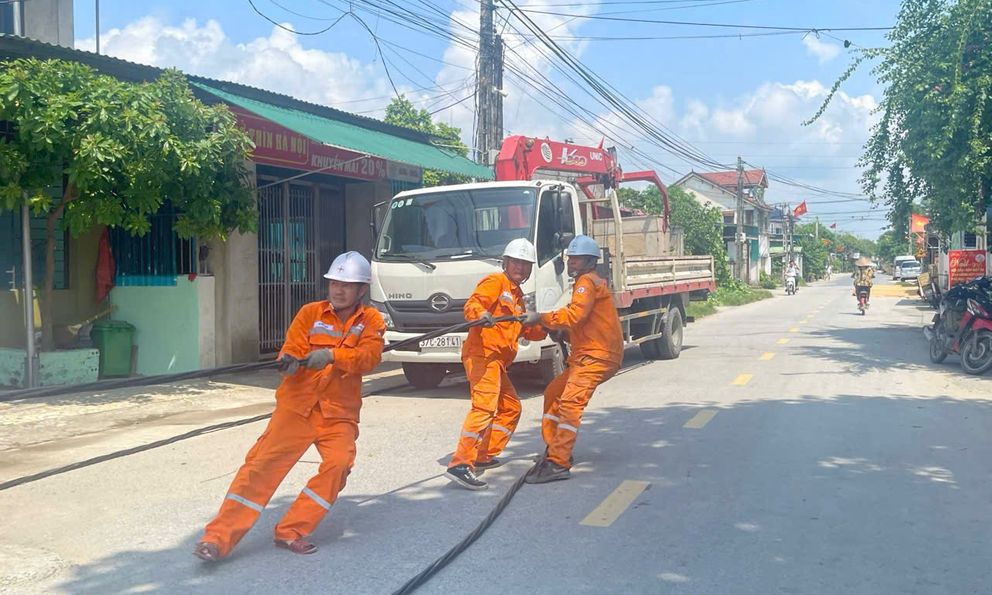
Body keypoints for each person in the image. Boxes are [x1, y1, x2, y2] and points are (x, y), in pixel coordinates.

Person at [194, 252, 385, 562]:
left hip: (338, 413)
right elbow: (292, 348)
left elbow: (369, 358)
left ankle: (291, 530)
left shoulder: (371, 321)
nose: (338, 290)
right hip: (297, 408)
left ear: (361, 290)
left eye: (347, 286)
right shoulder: (310, 313)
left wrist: (333, 356)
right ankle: (216, 539)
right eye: (334, 283)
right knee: (260, 469)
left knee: (339, 464)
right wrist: (290, 365)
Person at [445, 238, 546, 490]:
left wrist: (545, 326)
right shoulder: (495, 282)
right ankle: (461, 463)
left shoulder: (518, 296)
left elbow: (525, 331)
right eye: (516, 263)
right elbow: (473, 305)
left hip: (497, 361)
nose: (520, 268)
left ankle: (483, 454)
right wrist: (481, 316)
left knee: (510, 408)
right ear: (505, 262)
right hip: (482, 356)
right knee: (484, 408)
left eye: (525, 264)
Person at [527, 235, 624, 484]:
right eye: (570, 258)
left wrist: (542, 317)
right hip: (588, 355)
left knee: (570, 403)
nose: (571, 262)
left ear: (590, 261)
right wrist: (560, 330)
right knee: (553, 393)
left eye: (577, 259)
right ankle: (555, 449)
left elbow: (575, 315)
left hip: (597, 356)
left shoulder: (586, 283)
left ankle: (558, 463)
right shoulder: (587, 282)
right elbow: (583, 323)